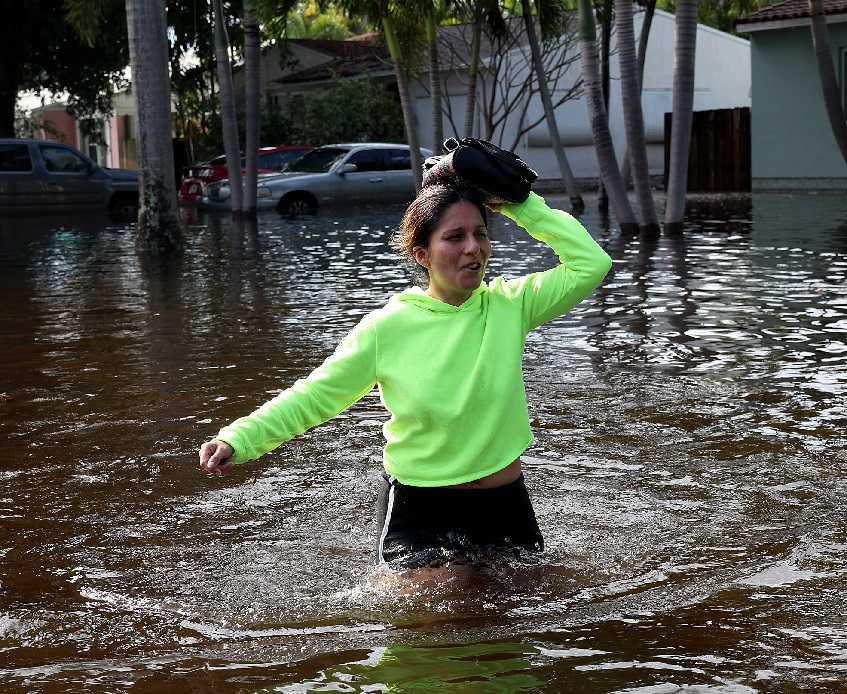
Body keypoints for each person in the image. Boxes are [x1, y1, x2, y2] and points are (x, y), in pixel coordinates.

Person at [197, 148, 612, 574]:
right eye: (455, 237)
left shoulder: (511, 305)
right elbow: (315, 396)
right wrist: (240, 438)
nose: (473, 249)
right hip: (421, 505)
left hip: (504, 503)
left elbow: (591, 263)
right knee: (431, 613)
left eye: (481, 233)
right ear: (422, 254)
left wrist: (516, 203)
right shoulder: (386, 328)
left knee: (518, 625)